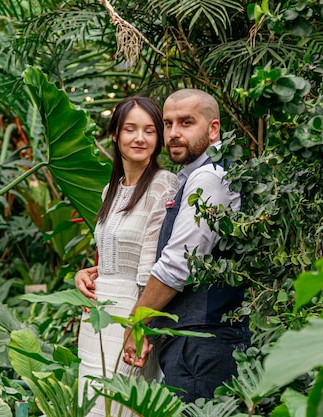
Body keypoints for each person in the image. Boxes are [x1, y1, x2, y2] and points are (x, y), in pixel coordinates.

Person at [122, 88, 251, 403]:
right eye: (168, 124)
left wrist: (136, 323)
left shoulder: (209, 178)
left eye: (186, 122)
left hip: (205, 343)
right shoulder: (193, 176)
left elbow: (178, 264)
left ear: (213, 128)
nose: (174, 133)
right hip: (194, 341)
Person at [74, 96, 179, 417]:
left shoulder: (164, 185)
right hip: (97, 315)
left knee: (121, 406)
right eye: (130, 129)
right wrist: (90, 272)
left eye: (149, 131)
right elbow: (117, 253)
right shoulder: (111, 191)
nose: (139, 138)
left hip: (130, 315)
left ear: (158, 138)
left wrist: (139, 326)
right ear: (116, 135)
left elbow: (152, 265)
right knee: (90, 403)